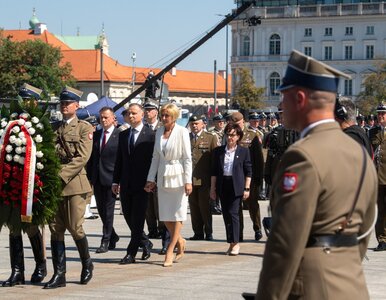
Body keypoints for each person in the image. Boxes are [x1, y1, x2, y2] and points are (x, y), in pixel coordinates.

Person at [255, 50, 377, 299]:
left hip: (310, 286)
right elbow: (364, 229)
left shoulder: (302, 155)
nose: (280, 106)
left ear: (300, 98)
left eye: (283, 96)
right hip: (351, 283)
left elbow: (286, 241)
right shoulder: (359, 153)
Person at [44, 86, 94, 289]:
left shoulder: (84, 128)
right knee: (55, 229)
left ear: (77, 106)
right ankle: (59, 274)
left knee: (75, 227)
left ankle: (87, 263)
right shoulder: (53, 127)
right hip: (54, 186)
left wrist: (59, 176)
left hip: (74, 185)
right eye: (62, 103)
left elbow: (82, 157)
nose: (64, 106)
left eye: (68, 103)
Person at [1, 84, 47, 287]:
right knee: (13, 228)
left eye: (27, 100)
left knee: (30, 227)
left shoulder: (40, 125)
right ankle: (17, 271)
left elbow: (47, 159)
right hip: (11, 183)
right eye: (21, 100)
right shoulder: (8, 124)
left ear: (35, 102)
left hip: (31, 186)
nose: (23, 104)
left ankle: (40, 264)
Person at [144, 103, 192, 267]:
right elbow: (155, 157)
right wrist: (151, 178)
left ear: (174, 117)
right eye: (163, 115)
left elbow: (187, 158)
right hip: (163, 176)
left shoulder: (182, 131)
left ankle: (171, 248)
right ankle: (179, 239)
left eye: (167, 116)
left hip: (178, 177)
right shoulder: (158, 131)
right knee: (164, 216)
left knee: (177, 214)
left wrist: (188, 180)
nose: (164, 119)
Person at [112, 103, 155, 264]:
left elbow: (154, 160)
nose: (131, 116)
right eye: (129, 113)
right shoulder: (123, 135)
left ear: (142, 114)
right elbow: (119, 160)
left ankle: (131, 253)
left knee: (137, 219)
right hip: (126, 182)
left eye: (134, 113)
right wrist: (115, 181)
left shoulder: (151, 135)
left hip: (143, 184)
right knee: (129, 216)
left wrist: (152, 180)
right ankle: (145, 242)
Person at [210, 123, 252, 255]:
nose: (230, 137)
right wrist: (213, 189)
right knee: (226, 215)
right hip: (223, 185)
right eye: (228, 134)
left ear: (238, 136)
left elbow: (248, 171)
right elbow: (214, 172)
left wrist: (247, 188)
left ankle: (236, 243)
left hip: (237, 185)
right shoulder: (219, 151)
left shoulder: (243, 151)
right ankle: (231, 242)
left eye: (233, 135)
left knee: (234, 214)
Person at [87, 107, 120, 253]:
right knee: (101, 211)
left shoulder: (120, 135)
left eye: (106, 117)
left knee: (108, 211)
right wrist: (89, 177)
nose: (104, 120)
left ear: (113, 118)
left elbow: (121, 160)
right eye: (101, 117)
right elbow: (92, 158)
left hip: (112, 178)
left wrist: (119, 180)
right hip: (97, 177)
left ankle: (105, 240)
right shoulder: (97, 134)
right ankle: (113, 236)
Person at [230, 112, 265, 241]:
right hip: (235, 176)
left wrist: (259, 177)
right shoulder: (230, 135)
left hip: (250, 176)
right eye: (234, 124)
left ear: (243, 121)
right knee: (236, 206)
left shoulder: (252, 135)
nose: (236, 126)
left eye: (238, 123)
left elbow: (259, 158)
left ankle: (257, 228)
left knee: (252, 204)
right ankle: (239, 233)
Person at [188, 114, 218, 241]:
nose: (194, 126)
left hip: (205, 179)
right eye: (192, 124)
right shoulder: (186, 137)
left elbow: (215, 159)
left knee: (204, 207)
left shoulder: (210, 138)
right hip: (190, 179)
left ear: (203, 124)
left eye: (197, 123)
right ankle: (198, 232)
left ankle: (208, 231)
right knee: (194, 207)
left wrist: (214, 182)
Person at [369, 102, 386, 251]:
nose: (380, 116)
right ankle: (382, 239)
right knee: (379, 210)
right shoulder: (372, 132)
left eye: (383, 113)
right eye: (379, 113)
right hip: (377, 176)